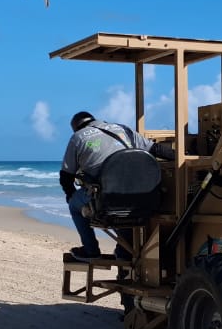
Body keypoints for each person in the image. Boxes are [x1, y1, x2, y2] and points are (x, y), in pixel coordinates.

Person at [59, 110, 172, 261]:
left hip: (107, 198)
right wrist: (186, 156)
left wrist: (71, 196)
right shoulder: (123, 129)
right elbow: (156, 150)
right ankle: (124, 252)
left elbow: (66, 177)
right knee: (125, 209)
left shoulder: (78, 137)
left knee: (75, 205)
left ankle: (91, 250)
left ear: (76, 127)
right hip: (143, 194)